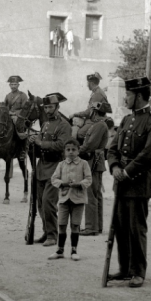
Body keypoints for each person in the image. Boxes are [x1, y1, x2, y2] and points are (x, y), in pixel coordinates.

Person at [107, 77, 151, 288]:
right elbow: (112, 148)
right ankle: (124, 269)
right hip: (121, 183)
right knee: (120, 227)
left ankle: (138, 271)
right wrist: (114, 167)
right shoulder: (125, 121)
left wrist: (127, 172)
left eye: (129, 94)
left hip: (138, 184)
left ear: (139, 96)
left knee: (136, 228)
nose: (125, 97)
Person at [28, 92, 72, 247]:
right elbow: (40, 143)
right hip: (42, 167)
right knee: (40, 203)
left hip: (56, 168)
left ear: (57, 107)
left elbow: (61, 146)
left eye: (50, 107)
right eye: (45, 107)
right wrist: (33, 142)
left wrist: (40, 143)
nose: (47, 110)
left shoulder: (64, 125)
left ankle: (53, 236)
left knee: (48, 202)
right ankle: (47, 232)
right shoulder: (45, 124)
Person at [49, 139, 92, 261]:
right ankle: (60, 250)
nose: (71, 152)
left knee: (75, 225)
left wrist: (79, 184)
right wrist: (63, 183)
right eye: (68, 150)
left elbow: (89, 179)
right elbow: (54, 179)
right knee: (61, 224)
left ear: (78, 151)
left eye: (74, 149)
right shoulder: (61, 164)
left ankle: (74, 249)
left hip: (78, 200)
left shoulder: (84, 164)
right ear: (64, 151)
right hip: (64, 199)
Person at [78, 101, 112, 236]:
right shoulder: (100, 125)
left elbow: (90, 145)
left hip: (93, 161)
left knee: (91, 195)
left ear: (94, 111)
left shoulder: (98, 125)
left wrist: (76, 150)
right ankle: (96, 226)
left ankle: (91, 227)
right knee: (96, 194)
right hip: (95, 161)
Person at [0, 76, 29, 156]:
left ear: (18, 85)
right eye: (11, 84)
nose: (13, 86)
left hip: (18, 117)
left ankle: (22, 149)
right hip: (8, 116)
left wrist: (15, 113)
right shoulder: (8, 96)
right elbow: (5, 107)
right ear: (9, 86)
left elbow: (25, 109)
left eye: (15, 84)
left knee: (20, 130)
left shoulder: (23, 95)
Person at [70, 73, 109, 140]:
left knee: (80, 134)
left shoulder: (97, 94)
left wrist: (75, 114)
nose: (87, 85)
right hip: (94, 119)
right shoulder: (97, 92)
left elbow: (89, 112)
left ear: (91, 83)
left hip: (96, 121)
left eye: (88, 83)